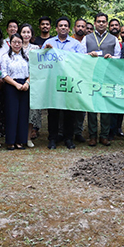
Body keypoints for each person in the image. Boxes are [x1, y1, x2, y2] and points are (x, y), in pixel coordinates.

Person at [42, 17, 87, 149]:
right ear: (56, 28)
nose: (63, 27)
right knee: (53, 112)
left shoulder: (76, 44)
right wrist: (45, 50)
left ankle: (69, 138)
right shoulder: (48, 42)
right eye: (60, 25)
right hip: (53, 82)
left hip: (69, 81)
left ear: (69, 28)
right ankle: (52, 139)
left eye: (65, 26)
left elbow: (81, 61)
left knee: (69, 111)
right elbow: (41, 62)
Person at [84, 13, 119, 146]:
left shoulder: (113, 39)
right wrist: (88, 55)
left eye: (104, 22)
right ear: (94, 23)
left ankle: (104, 136)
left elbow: (119, 57)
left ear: (107, 23)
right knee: (92, 107)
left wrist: (112, 57)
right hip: (91, 76)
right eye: (99, 21)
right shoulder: (87, 38)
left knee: (105, 107)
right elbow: (80, 57)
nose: (101, 24)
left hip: (107, 76)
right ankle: (92, 136)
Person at [0, 34, 31, 150]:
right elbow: (3, 74)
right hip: (11, 86)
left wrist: (27, 82)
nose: (17, 44)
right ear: (10, 43)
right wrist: (16, 84)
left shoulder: (26, 57)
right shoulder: (5, 57)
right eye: (14, 42)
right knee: (11, 114)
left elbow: (32, 71)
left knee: (23, 113)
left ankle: (20, 141)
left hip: (25, 86)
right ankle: (10, 141)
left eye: (19, 42)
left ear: (22, 43)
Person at [20, 23, 39, 147]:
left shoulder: (36, 48)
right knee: (20, 111)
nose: (26, 35)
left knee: (31, 112)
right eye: (24, 32)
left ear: (31, 34)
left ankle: (28, 138)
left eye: (28, 32)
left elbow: (39, 66)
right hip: (18, 82)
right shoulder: (15, 46)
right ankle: (19, 137)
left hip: (33, 82)